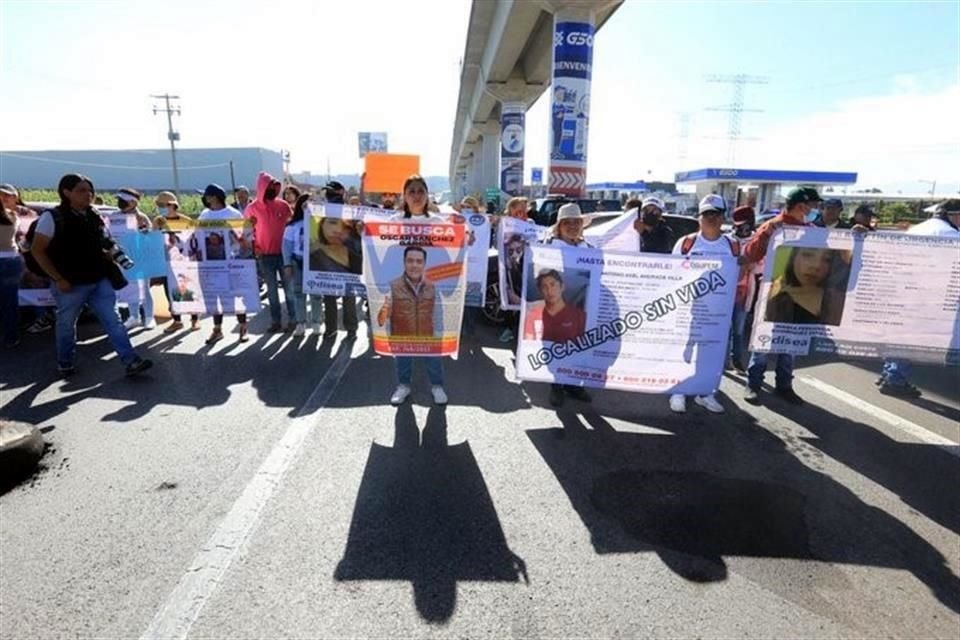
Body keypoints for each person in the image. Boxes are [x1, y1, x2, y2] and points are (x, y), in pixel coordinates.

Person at [28, 173, 152, 376]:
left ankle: (131, 361)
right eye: (82, 190)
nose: (88, 195)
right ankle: (65, 362)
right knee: (67, 324)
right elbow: (37, 250)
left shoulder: (94, 215)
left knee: (113, 321)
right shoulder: (52, 217)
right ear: (66, 192)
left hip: (99, 279)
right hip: (69, 283)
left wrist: (114, 253)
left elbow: (106, 240)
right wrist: (58, 279)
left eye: (90, 190)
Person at [740, 186, 821, 404]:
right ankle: (753, 384)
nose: (816, 210)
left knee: (792, 342)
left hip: (802, 293)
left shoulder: (813, 229)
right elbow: (750, 255)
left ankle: (784, 385)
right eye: (814, 205)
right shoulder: (772, 227)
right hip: (773, 292)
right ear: (802, 205)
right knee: (764, 341)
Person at [877, 199, 960, 396]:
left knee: (902, 334)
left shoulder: (917, 228)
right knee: (913, 338)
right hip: (931, 294)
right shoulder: (952, 235)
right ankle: (895, 379)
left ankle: (888, 372)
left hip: (907, 288)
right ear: (954, 215)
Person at [668, 194, 740, 414]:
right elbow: (672, 272)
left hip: (718, 312)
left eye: (716, 214)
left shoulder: (732, 244)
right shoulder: (687, 242)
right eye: (706, 214)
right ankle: (678, 391)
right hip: (689, 310)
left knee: (712, 353)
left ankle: (705, 393)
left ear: (722, 217)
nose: (711, 218)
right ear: (699, 217)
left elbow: (740, 272)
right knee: (684, 352)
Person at [384, 175, 447, 406]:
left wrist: (465, 241)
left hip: (432, 288)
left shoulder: (439, 222)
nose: (417, 195)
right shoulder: (394, 220)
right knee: (402, 339)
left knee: (432, 340)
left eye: (421, 190)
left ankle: (437, 385)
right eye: (412, 191)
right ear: (404, 196)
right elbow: (381, 249)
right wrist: (365, 232)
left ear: (427, 195)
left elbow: (451, 253)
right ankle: (403, 385)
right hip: (401, 288)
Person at [539, 202, 592, 407]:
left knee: (578, 345)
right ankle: (557, 385)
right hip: (554, 306)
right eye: (567, 223)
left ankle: (573, 384)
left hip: (579, 306)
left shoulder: (588, 248)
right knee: (556, 345)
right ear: (559, 226)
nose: (572, 226)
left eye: (576, 222)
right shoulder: (547, 246)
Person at [199, 184, 249, 344]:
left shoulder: (233, 214)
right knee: (215, 295)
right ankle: (217, 329)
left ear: (214, 197)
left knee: (235, 295)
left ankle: (242, 327)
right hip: (210, 263)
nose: (205, 199)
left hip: (230, 261)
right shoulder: (204, 215)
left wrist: (233, 235)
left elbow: (244, 237)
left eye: (207, 195)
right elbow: (196, 235)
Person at [245, 171, 295, 332]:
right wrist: (255, 247)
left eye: (275, 187)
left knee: (289, 290)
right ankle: (276, 322)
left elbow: (292, 226)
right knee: (272, 292)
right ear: (262, 187)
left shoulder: (283, 205)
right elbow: (247, 231)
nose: (273, 189)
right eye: (270, 187)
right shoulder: (252, 209)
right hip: (265, 256)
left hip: (284, 256)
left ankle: (294, 320)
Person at [315, 181, 360, 339]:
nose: (330, 196)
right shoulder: (320, 211)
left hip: (349, 260)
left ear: (342, 192)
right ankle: (333, 327)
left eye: (332, 193)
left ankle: (350, 328)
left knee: (348, 296)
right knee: (330, 297)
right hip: (329, 260)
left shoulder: (352, 212)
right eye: (328, 193)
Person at [764, 247, 848, 326]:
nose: (816, 265)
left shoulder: (841, 298)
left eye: (827, 259)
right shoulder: (776, 302)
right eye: (808, 254)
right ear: (794, 256)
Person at [153, 191, 199, 333]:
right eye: (159, 205)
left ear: (172, 205)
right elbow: (153, 238)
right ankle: (177, 320)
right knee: (170, 291)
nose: (160, 207)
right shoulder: (159, 221)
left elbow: (195, 239)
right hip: (167, 262)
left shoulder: (185, 220)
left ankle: (194, 319)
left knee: (188, 290)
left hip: (185, 261)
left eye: (163, 205)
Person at [282, 193, 324, 336]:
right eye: (306, 203)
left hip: (315, 263)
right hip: (297, 262)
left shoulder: (320, 223)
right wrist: (287, 264)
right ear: (301, 206)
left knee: (316, 294)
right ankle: (300, 323)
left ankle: (316, 322)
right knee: (299, 293)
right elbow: (286, 246)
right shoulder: (292, 226)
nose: (309, 206)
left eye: (312, 203)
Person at [115, 188, 156, 329]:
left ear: (133, 202)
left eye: (123, 201)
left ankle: (149, 317)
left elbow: (148, 237)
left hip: (140, 258)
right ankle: (134, 317)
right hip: (122, 258)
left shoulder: (142, 217)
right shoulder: (115, 216)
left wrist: (141, 226)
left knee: (144, 288)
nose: (120, 203)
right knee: (130, 287)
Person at [728, 205, 757, 371]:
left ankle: (736, 359)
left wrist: (752, 265)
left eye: (746, 225)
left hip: (745, 293)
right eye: (739, 225)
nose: (743, 228)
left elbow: (763, 265)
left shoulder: (757, 241)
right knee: (723, 329)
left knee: (738, 330)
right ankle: (720, 360)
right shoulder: (726, 240)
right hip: (725, 292)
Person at [0, 184, 24, 347]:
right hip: (12, 259)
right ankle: (11, 337)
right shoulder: (14, 216)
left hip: (7, 260)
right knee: (10, 300)